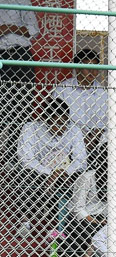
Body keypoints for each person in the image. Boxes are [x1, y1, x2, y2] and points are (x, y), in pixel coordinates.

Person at [16, 98, 88, 242]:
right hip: (40, 172)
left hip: (66, 173)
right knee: (25, 174)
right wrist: (50, 173)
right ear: (46, 119)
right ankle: (25, 220)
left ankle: (63, 224)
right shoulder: (31, 128)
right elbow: (26, 159)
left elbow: (81, 161)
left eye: (64, 123)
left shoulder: (74, 129)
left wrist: (64, 172)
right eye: (57, 123)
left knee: (83, 176)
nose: (62, 128)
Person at [0, 0, 40, 169]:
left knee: (20, 106)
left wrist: (9, 28)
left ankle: (14, 154)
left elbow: (33, 30)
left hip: (18, 55)